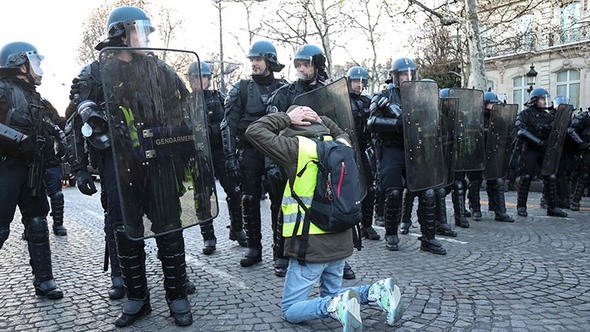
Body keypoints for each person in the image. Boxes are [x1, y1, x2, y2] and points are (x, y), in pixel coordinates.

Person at [66, 6, 195, 326]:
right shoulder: (94, 73)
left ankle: (177, 295)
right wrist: (80, 164)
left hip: (159, 161)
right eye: (140, 30)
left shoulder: (160, 69)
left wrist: (173, 140)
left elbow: (185, 111)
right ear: (121, 34)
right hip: (118, 164)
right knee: (125, 230)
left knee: (169, 226)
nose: (146, 37)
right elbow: (77, 118)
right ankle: (137, 298)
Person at [245, 105, 404, 330]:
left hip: (310, 244)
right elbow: (340, 130)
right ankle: (376, 292)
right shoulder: (342, 144)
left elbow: (255, 131)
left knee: (290, 309)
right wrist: (321, 118)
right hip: (342, 238)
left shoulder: (296, 148)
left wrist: (286, 117)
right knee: (332, 293)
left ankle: (333, 306)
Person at [267, 44, 356, 279]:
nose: (301, 69)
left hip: (329, 159)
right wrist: (272, 166)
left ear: (317, 65)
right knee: (284, 208)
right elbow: (270, 131)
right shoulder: (283, 94)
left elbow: (342, 126)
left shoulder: (331, 93)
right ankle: (282, 254)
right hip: (295, 159)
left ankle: (339, 257)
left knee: (335, 202)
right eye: (298, 64)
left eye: (306, 64)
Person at [0, 41, 63, 299]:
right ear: (19, 64)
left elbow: (46, 126)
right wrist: (18, 140)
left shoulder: (34, 96)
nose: (40, 69)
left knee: (37, 223)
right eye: (34, 62)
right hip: (6, 167)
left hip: (32, 169)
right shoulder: (2, 88)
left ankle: (44, 280)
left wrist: (58, 140)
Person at [367, 57, 446, 255]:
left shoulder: (421, 94)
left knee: (427, 192)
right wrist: (396, 125)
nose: (407, 77)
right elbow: (371, 123)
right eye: (403, 74)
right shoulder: (384, 95)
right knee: (393, 192)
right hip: (393, 148)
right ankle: (391, 234)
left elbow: (432, 119)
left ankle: (428, 238)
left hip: (417, 149)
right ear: (395, 76)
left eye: (410, 73)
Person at [221, 40, 288, 270]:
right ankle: (253, 247)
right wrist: (229, 157)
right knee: (249, 199)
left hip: (276, 152)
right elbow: (227, 125)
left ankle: (281, 251)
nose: (254, 64)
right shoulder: (240, 89)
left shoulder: (284, 88)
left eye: (258, 59)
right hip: (249, 152)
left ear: (269, 60)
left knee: (279, 202)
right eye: (252, 60)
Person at [186, 61, 247, 255]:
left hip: (221, 152)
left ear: (208, 78)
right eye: (196, 77)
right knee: (203, 197)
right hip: (199, 153)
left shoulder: (220, 98)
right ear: (191, 80)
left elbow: (229, 122)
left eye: (203, 77)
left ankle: (238, 229)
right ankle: (208, 237)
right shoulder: (185, 102)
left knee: (235, 191)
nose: (200, 81)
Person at [515, 88, 568, 218]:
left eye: (545, 99)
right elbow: (520, 131)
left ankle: (552, 207)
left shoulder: (548, 116)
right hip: (530, 149)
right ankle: (521, 206)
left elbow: (555, 131)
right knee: (526, 177)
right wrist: (537, 141)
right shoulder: (525, 114)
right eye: (542, 99)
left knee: (550, 176)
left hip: (544, 150)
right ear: (535, 100)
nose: (545, 101)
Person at [465, 91, 515, 222]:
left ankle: (499, 211)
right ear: (485, 104)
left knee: (496, 181)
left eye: (495, 103)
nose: (494, 105)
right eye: (492, 103)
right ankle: (475, 208)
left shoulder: (499, 118)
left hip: (493, 154)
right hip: (477, 154)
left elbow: (506, 134)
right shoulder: (475, 117)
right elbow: (470, 136)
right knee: (475, 182)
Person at [346, 66, 380, 241]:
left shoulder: (367, 102)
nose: (359, 85)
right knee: (347, 189)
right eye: (355, 81)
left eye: (361, 81)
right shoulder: (340, 101)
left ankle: (366, 225)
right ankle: (348, 225)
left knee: (370, 187)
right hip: (345, 149)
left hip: (364, 148)